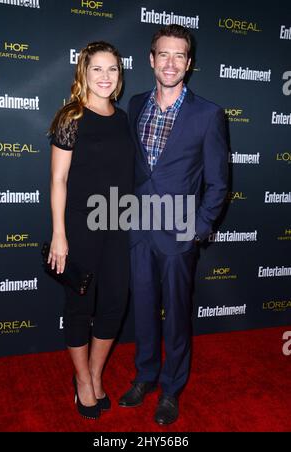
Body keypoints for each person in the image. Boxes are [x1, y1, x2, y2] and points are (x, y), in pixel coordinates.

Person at [119, 25, 228, 425]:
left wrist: (197, 229)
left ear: (190, 63)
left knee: (177, 315)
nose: (170, 63)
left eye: (179, 55)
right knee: (144, 310)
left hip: (179, 233)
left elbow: (218, 182)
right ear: (150, 59)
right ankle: (145, 375)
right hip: (137, 229)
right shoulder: (133, 104)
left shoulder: (208, 114)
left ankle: (170, 388)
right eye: (163, 54)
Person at [48, 42, 135, 420]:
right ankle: (82, 379)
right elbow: (58, 180)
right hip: (80, 227)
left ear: (120, 75)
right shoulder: (71, 116)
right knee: (80, 306)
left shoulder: (123, 118)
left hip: (118, 225)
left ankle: (97, 373)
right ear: (83, 72)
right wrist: (59, 234)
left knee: (115, 303)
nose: (105, 76)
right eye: (96, 68)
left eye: (112, 69)